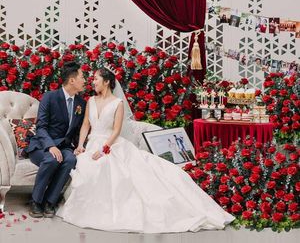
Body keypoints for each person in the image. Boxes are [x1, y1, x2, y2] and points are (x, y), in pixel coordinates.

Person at [57, 66, 234, 233]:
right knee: (85, 166)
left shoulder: (117, 103)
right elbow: (86, 125)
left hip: (110, 145)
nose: (92, 81)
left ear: (106, 82)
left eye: (96, 79)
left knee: (110, 168)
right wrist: (81, 145)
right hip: (92, 144)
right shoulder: (91, 101)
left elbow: (117, 130)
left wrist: (104, 149)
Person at [26, 62, 86, 218]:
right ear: (72, 80)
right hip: (41, 145)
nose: (85, 80)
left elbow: (78, 130)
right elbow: (41, 127)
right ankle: (36, 201)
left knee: (71, 159)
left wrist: (80, 146)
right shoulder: (50, 97)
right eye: (82, 76)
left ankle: (50, 201)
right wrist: (51, 146)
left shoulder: (81, 103)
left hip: (65, 146)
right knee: (52, 160)